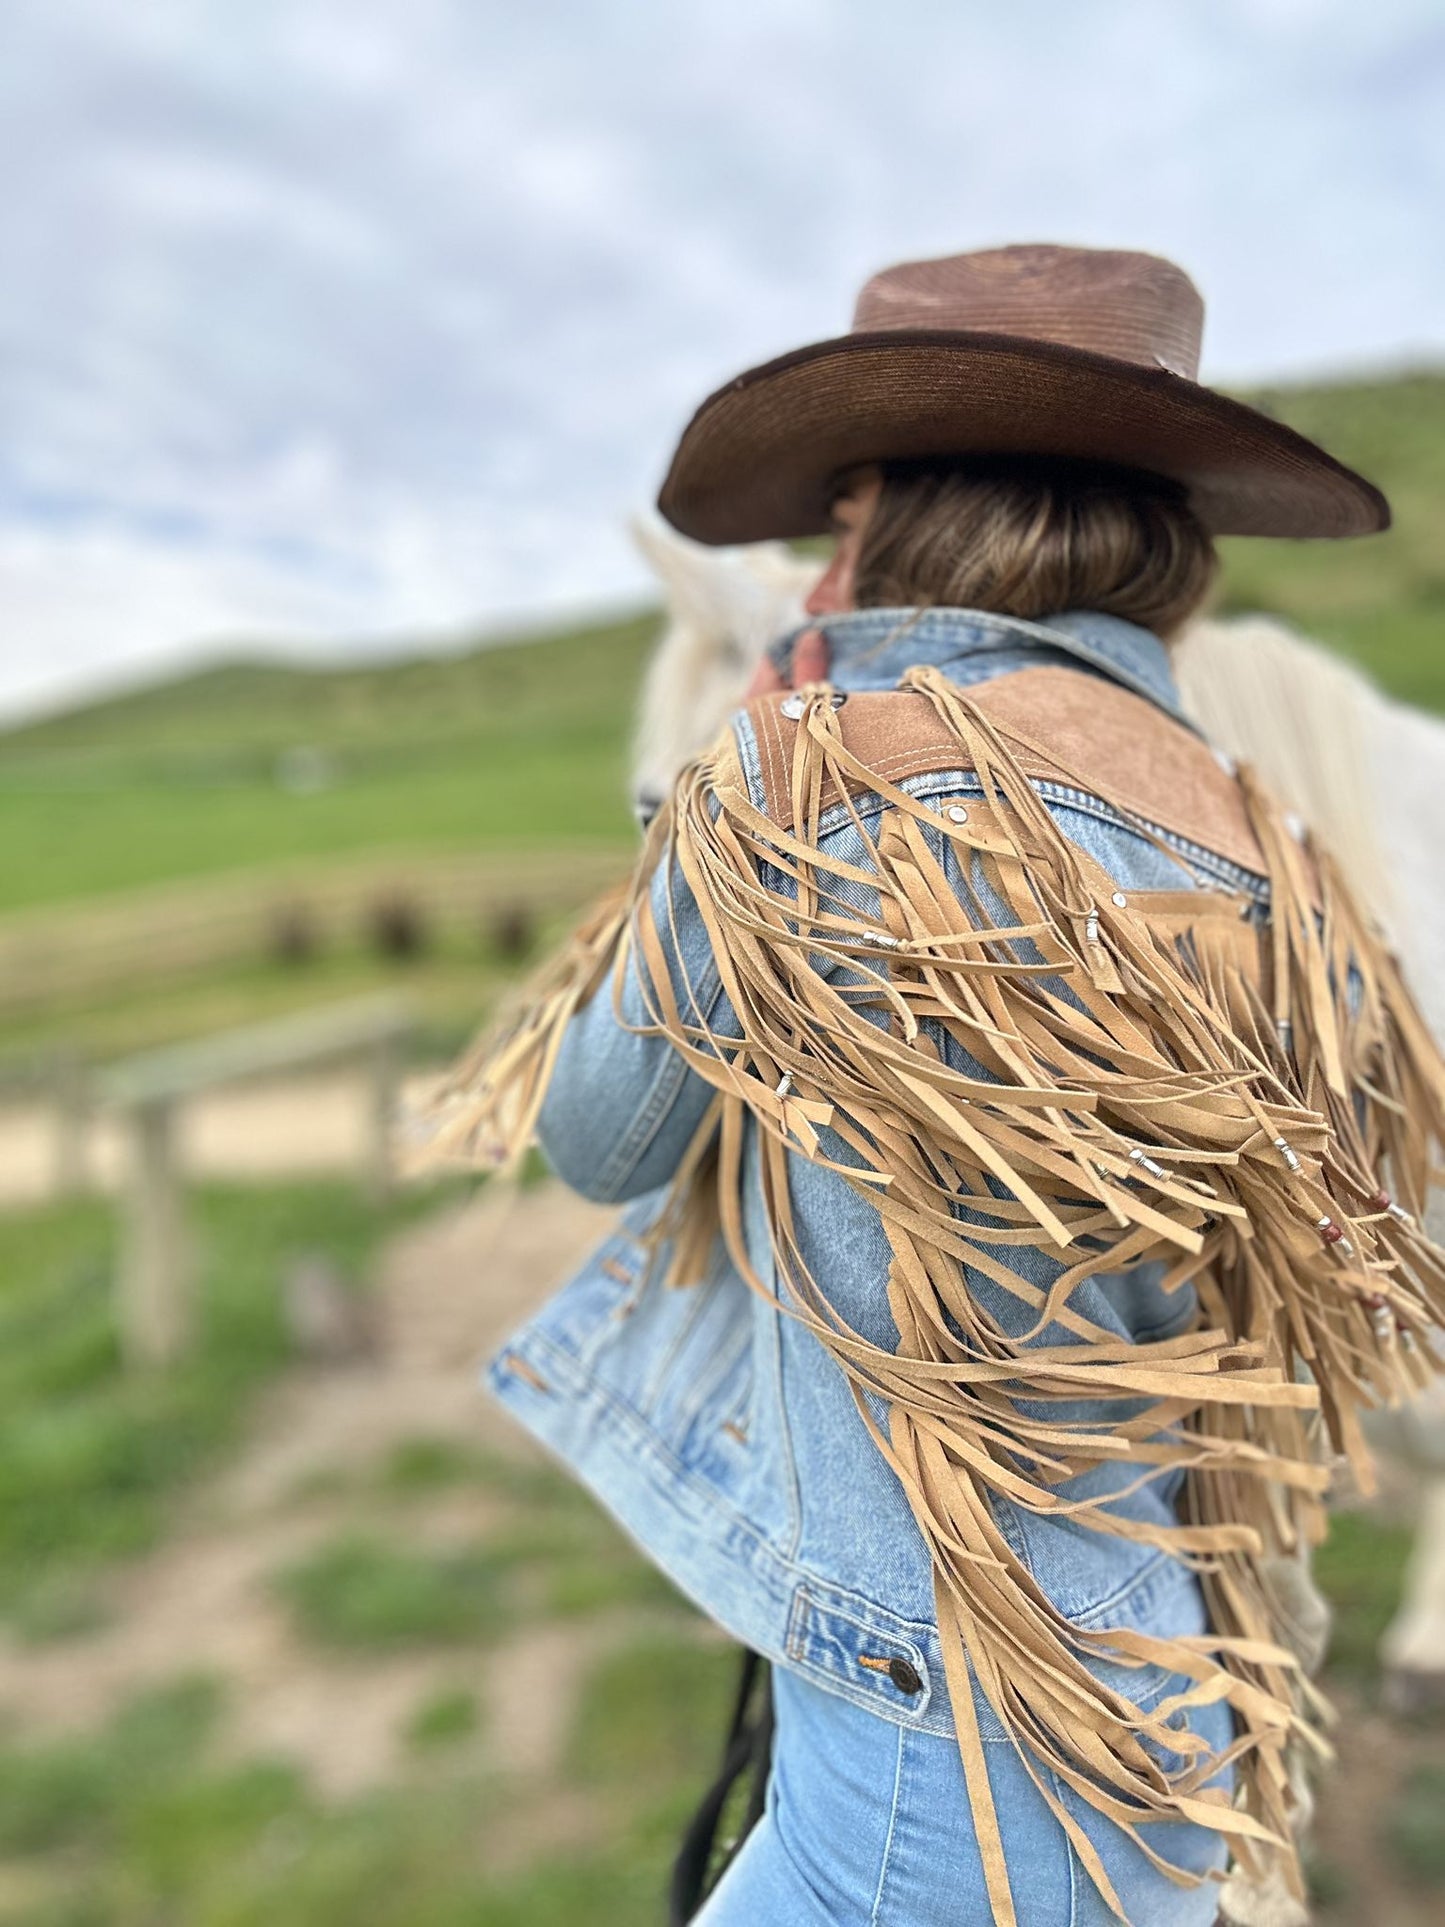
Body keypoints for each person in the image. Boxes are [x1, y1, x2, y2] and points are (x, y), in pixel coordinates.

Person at [434, 246, 1445, 1926]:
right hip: (1158, 1706)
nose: (819, 563)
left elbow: (597, 1139)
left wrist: (713, 805)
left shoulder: (797, 775)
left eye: (834, 517)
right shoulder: (1267, 837)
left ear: (887, 517)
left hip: (929, 1768)